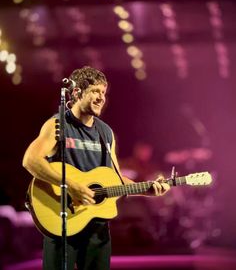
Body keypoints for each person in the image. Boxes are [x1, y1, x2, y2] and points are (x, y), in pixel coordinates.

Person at [22, 66, 170, 270]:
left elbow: (116, 180)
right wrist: (70, 185)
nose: (101, 98)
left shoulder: (106, 133)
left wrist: (147, 189)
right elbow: (31, 160)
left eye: (103, 93)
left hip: (97, 229)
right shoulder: (58, 123)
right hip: (61, 221)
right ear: (77, 93)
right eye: (95, 91)